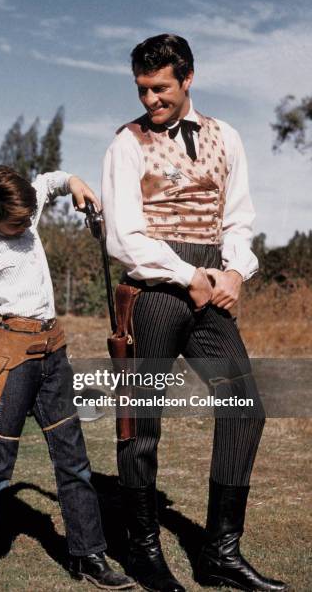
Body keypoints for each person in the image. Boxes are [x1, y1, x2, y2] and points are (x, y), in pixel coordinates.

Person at [101, 34, 288, 592]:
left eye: (160, 87)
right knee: (140, 425)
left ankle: (220, 555)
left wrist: (234, 273)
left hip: (213, 285)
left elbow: (239, 219)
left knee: (244, 409)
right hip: (154, 292)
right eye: (142, 89)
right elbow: (123, 237)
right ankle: (142, 552)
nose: (150, 100)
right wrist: (190, 278)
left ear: (187, 78)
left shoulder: (225, 135)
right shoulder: (126, 143)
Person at [0, 165, 134, 592]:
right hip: (13, 359)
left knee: (73, 459)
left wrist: (73, 183)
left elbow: (49, 182)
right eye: (16, 222)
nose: (26, 225)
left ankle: (89, 555)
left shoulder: (26, 206)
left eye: (28, 216)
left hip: (54, 353)